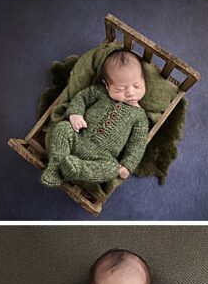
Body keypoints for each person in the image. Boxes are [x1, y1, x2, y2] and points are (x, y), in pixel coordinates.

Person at [41, 49, 148, 188]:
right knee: (62, 128)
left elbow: (137, 144)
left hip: (102, 156)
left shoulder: (140, 117)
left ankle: (76, 169)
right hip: (79, 137)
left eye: (137, 86)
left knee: (112, 169)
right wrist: (75, 114)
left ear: (144, 80)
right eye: (120, 89)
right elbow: (81, 98)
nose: (130, 93)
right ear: (106, 85)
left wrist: (128, 165)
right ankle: (56, 167)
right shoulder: (99, 91)